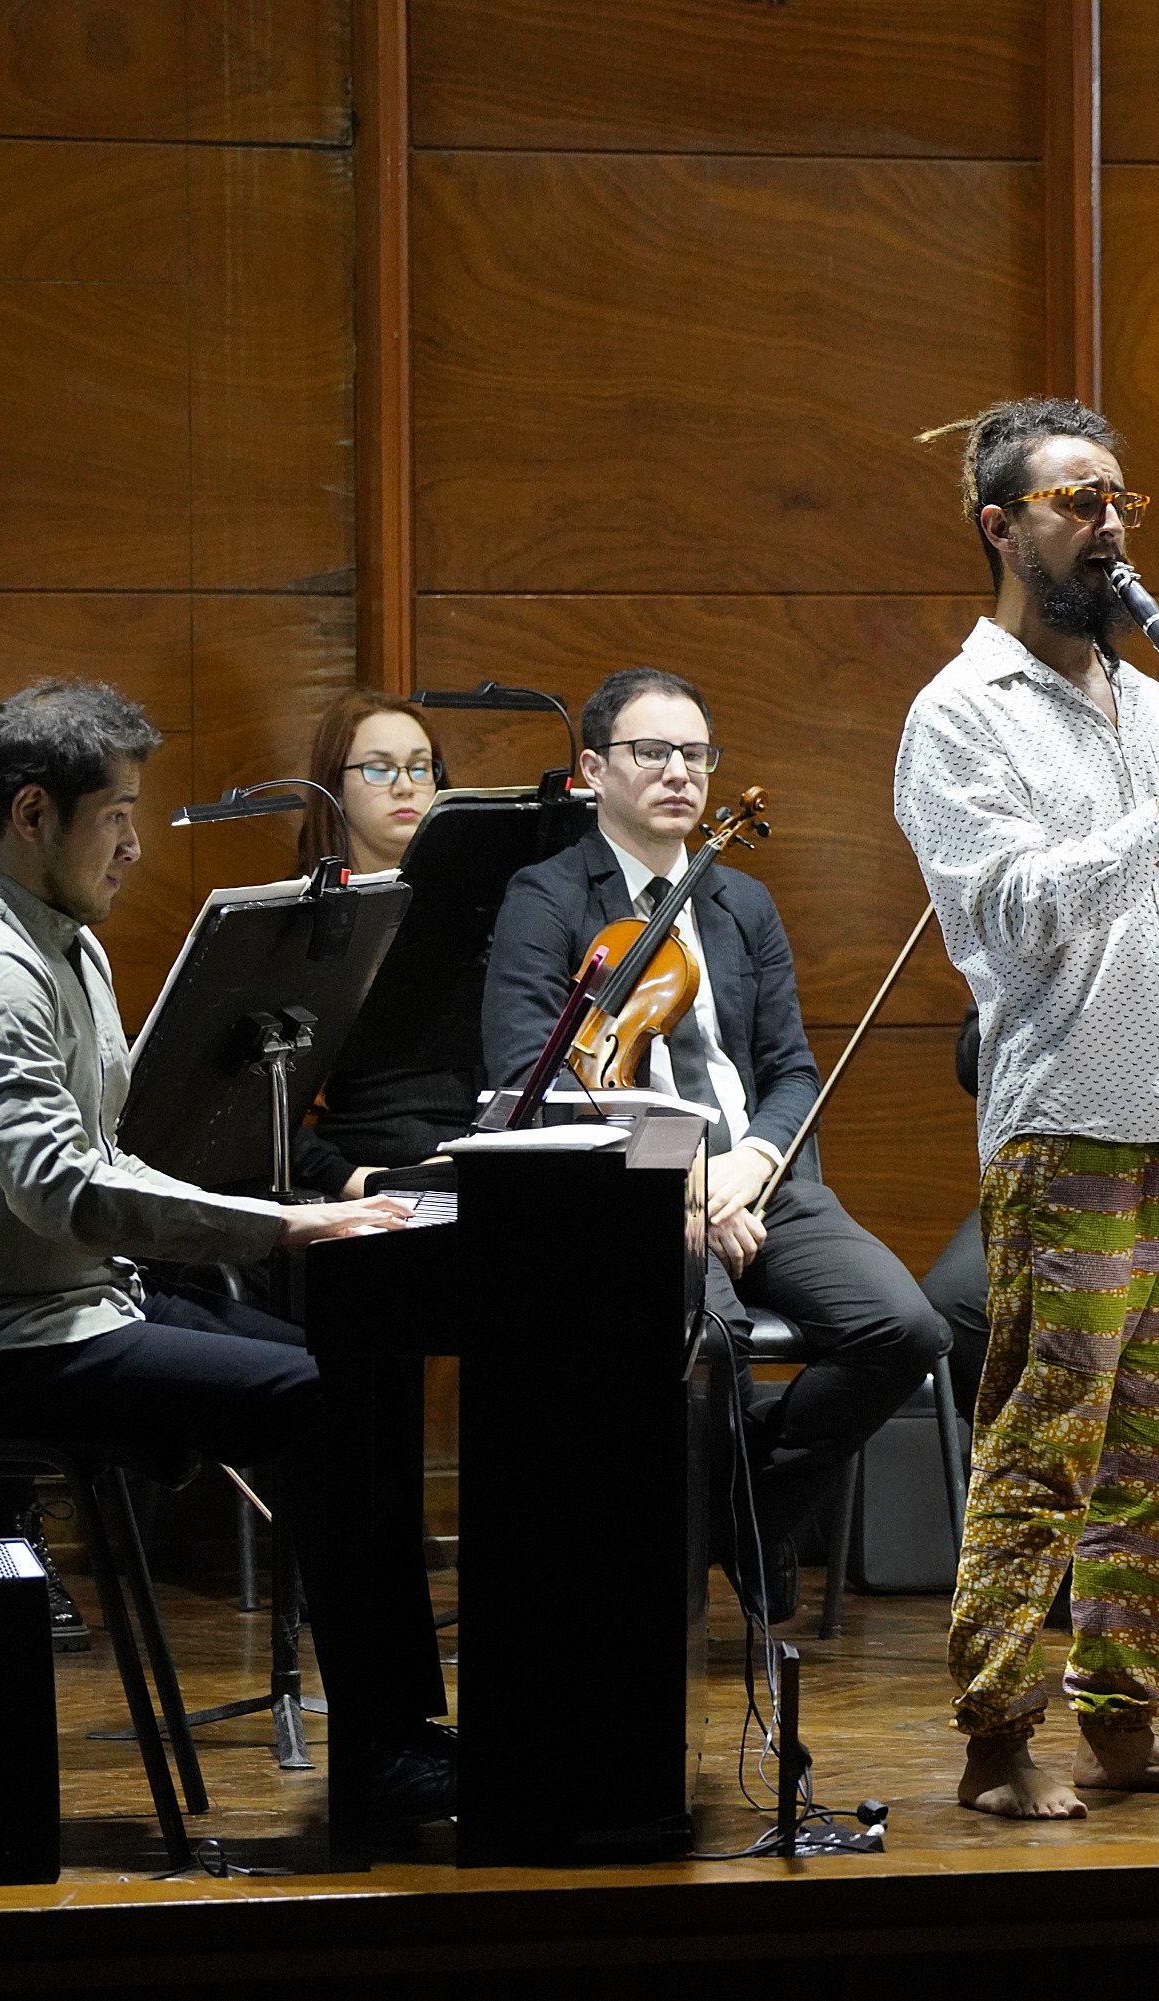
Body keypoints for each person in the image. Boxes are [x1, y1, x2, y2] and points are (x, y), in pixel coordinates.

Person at [0, 679, 454, 1822]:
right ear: (33, 816)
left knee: (353, 1375)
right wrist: (283, 1220)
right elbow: (67, 1191)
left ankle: (402, 1733)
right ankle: (386, 1751)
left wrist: (279, 1220)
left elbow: (101, 1160)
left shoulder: (59, 943)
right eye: (116, 813)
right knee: (324, 1400)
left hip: (63, 1307)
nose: (134, 841)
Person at [894, 395, 1159, 1820]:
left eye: (1118, 497)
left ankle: (1122, 1726)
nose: (1109, 525)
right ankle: (997, 1739)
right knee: (1044, 1444)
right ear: (1003, 527)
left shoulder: (1155, 699)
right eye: (1077, 501)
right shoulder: (958, 716)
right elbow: (1015, 917)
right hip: (1069, 1118)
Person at [481, 666, 944, 1626]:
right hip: (635, 1188)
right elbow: (532, 1073)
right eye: (652, 752)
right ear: (592, 770)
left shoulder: (742, 904)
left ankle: (739, 1516)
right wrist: (684, 1181)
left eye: (696, 753)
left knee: (905, 1331)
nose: (680, 773)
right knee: (716, 1339)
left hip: (760, 1179)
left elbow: (791, 1074)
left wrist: (750, 1165)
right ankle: (711, 1552)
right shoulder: (546, 896)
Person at [914, 1004, 1159, 1606]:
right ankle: (1052, 1519)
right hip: (1070, 1176)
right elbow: (975, 1056)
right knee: (955, 1303)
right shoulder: (1068, 913)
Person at [284, 690, 473, 1198]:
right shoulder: (299, 923)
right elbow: (248, 1105)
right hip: (366, 1178)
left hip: (480, 1164)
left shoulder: (481, 910)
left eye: (419, 768)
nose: (405, 787)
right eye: (379, 769)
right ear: (335, 787)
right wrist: (349, 1180)